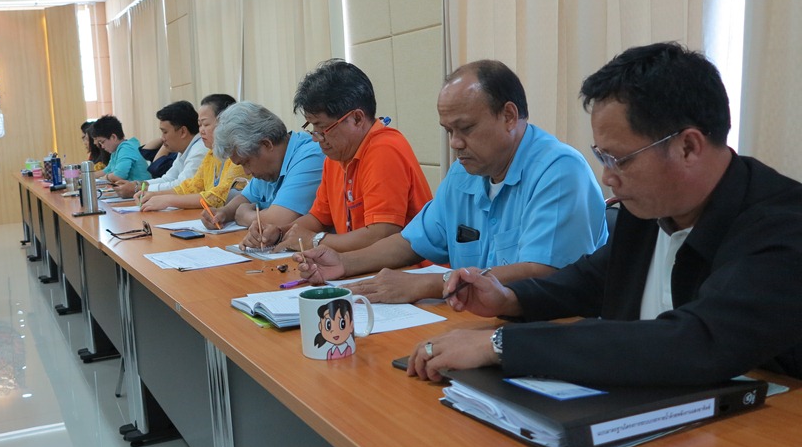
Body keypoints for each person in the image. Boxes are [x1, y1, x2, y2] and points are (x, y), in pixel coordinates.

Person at [408, 43, 802, 447]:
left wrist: (503, 344)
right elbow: (589, 280)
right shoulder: (649, 207)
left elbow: (696, 341)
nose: (606, 177)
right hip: (646, 440)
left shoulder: (781, 225)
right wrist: (507, 296)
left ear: (688, 147)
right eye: (601, 156)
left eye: (619, 159)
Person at [296, 60, 608, 304]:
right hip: (479, 322)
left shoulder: (559, 171)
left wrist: (432, 284)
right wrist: (344, 263)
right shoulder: (464, 173)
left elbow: (543, 273)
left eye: (466, 128)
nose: (455, 143)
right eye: (448, 131)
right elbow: (410, 242)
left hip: (548, 330)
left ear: (509, 116)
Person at [250, 60, 432, 253]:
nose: (316, 138)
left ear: (357, 118)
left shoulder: (384, 149)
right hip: (359, 265)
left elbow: (381, 235)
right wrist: (279, 233)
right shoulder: (335, 157)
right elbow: (318, 218)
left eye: (323, 128)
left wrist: (315, 241)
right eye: (313, 128)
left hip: (411, 267)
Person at [206, 101, 324, 235]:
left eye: (246, 162)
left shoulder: (311, 156)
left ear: (267, 144)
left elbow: (278, 221)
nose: (247, 172)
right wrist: (223, 213)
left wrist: (245, 216)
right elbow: (245, 198)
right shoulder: (269, 166)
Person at [139, 94, 247, 212]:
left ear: (226, 124)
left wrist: (168, 200)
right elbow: (191, 186)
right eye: (200, 125)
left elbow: (220, 197)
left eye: (206, 124)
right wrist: (155, 195)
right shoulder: (211, 154)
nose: (201, 131)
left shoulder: (239, 155)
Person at [112, 101, 207, 198]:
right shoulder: (185, 149)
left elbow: (182, 187)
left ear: (183, 132)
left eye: (165, 132)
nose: (162, 138)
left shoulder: (199, 150)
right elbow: (168, 178)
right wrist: (138, 184)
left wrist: (138, 189)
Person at [91, 115, 150, 185]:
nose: (102, 147)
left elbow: (119, 175)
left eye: (102, 142)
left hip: (142, 189)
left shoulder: (126, 148)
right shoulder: (115, 151)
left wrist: (106, 177)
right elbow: (107, 170)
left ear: (113, 137)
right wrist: (86, 177)